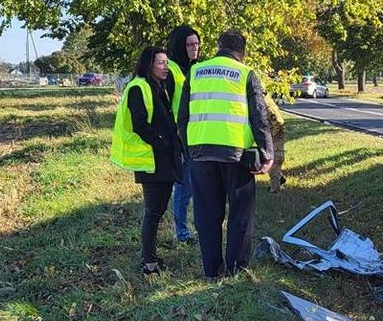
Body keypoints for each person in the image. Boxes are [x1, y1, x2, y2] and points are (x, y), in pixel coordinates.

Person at [177, 30, 273, 279]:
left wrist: (189, 149)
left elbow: (183, 116)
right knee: (240, 214)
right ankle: (235, 271)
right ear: (243, 51)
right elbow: (259, 116)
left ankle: (211, 271)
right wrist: (267, 153)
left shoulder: (196, 72)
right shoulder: (245, 74)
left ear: (218, 46)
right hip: (236, 155)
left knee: (207, 215)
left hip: (200, 153)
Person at [109, 46, 184, 274]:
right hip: (151, 161)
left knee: (159, 209)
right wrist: (162, 142)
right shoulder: (138, 87)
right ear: (149, 64)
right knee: (153, 211)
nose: (166, 67)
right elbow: (139, 124)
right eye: (161, 63)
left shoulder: (158, 86)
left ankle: (151, 257)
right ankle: (149, 263)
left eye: (167, 63)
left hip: (162, 159)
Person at [166, 25, 201, 242]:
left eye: (196, 44)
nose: (194, 48)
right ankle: (182, 233)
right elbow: (166, 105)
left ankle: (194, 228)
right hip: (179, 138)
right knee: (183, 188)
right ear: (180, 46)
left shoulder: (198, 67)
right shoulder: (171, 69)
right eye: (189, 45)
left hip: (198, 135)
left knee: (195, 186)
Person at [264, 89, 287, 192]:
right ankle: (279, 178)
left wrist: (270, 135)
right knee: (268, 159)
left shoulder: (265, 103)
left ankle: (275, 189)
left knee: (273, 161)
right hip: (273, 132)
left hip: (276, 133)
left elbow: (277, 121)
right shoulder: (266, 99)